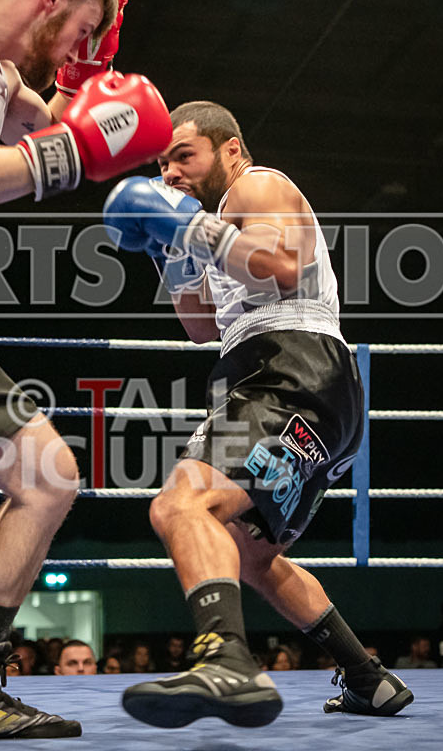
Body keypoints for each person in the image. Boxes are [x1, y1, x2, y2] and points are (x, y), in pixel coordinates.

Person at [103, 100, 414, 728]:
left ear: (231, 150)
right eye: (162, 165)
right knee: (248, 553)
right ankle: (366, 677)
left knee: (179, 506)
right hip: (302, 387)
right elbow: (198, 326)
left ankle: (226, 657)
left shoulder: (258, 184)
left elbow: (282, 266)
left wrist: (188, 230)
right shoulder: (215, 226)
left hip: (289, 367)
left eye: (183, 156)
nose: (170, 174)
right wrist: (165, 246)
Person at [0, 0, 172, 742]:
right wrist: (70, 150)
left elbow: (63, 135)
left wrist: (91, 79)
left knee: (48, 475)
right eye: (83, 32)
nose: (82, 49)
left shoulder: (1, 75)